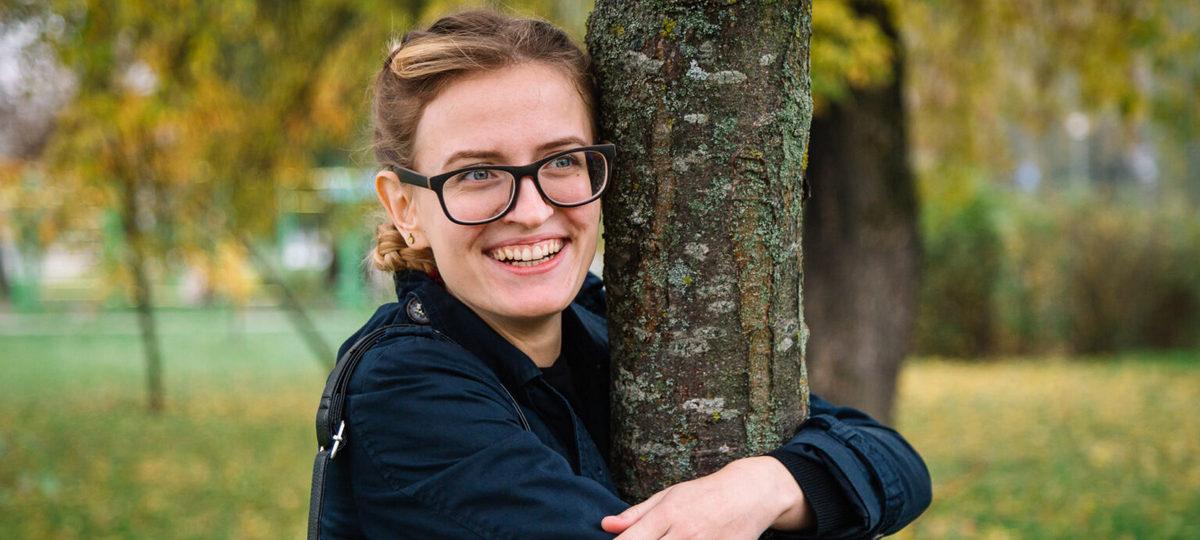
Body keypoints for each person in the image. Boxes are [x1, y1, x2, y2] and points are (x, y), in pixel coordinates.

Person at [312, 9, 930, 539]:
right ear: (404, 207)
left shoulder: (602, 323)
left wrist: (764, 485)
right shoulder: (403, 390)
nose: (532, 211)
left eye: (561, 160)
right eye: (477, 173)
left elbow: (898, 465)